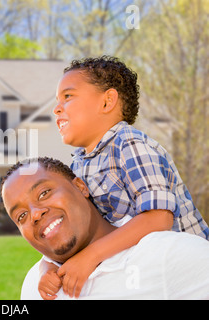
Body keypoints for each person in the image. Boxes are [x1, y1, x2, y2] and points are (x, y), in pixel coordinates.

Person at [34, 56, 209, 299]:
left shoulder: (129, 144)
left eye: (68, 96)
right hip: (138, 272)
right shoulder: (78, 164)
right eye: (57, 101)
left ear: (107, 102)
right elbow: (79, 227)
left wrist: (90, 256)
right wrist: (48, 267)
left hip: (183, 275)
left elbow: (158, 219)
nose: (56, 108)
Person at [0, 157, 209, 299]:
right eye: (22, 216)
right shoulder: (34, 285)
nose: (35, 214)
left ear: (80, 187)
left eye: (44, 193)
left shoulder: (169, 255)